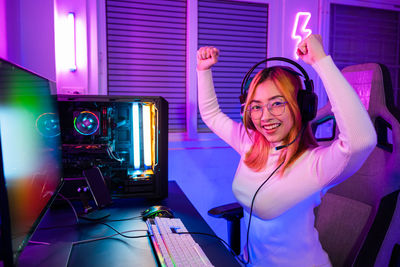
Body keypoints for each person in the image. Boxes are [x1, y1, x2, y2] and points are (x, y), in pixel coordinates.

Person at [196, 34, 377, 267]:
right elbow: (211, 115)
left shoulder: (315, 165)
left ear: (301, 106)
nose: (265, 116)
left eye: (277, 103)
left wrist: (321, 60)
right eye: (256, 106)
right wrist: (203, 70)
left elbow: (361, 140)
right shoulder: (250, 143)